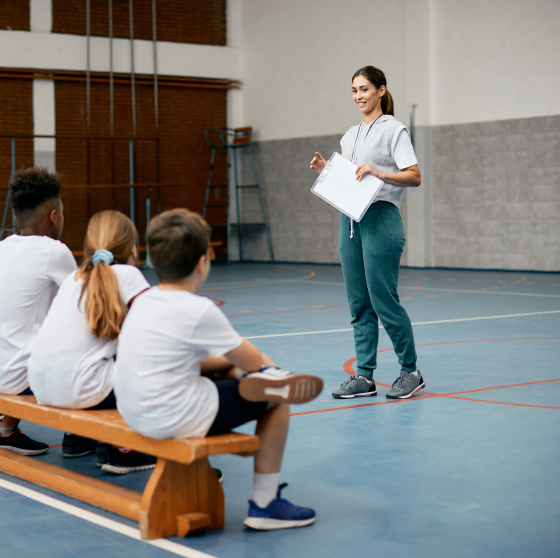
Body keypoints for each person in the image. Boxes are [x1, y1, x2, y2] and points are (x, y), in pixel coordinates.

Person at [114, 208, 323, 531]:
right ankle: (265, 505)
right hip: (169, 416)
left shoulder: (144, 301)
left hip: (133, 411)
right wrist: (267, 369)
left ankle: (251, 380)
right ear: (202, 262)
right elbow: (251, 358)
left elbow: (196, 362)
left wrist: (230, 365)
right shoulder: (198, 309)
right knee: (278, 397)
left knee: (225, 367)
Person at [309, 65, 424, 400]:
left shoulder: (394, 130)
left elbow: (414, 175)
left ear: (381, 91)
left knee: (383, 300)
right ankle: (364, 376)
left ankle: (411, 372)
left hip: (381, 219)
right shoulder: (350, 135)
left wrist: (380, 173)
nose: (359, 96)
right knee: (359, 304)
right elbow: (351, 179)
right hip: (350, 222)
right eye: (354, 90)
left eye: (364, 89)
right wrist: (326, 170)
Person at [28, 210, 151, 471]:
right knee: (154, 363)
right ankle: (125, 449)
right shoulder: (127, 274)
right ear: (131, 247)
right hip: (81, 388)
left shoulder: (72, 278)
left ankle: (77, 437)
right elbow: (158, 329)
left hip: (41, 384)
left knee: (97, 350)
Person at [0, 166, 76, 456]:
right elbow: (83, 307)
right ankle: (82, 437)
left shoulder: (1, 247)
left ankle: (0, 426)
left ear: (17, 217)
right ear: (54, 216)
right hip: (16, 379)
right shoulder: (54, 251)